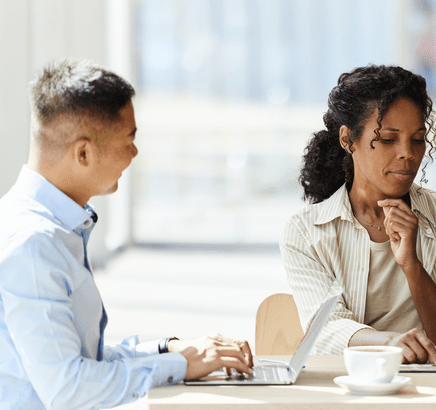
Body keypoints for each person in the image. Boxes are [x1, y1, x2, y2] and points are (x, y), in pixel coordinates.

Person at [0, 59, 253, 410]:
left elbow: (85, 359)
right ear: (83, 153)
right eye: (128, 140)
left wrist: (170, 350)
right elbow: (69, 389)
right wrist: (181, 365)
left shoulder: (46, 228)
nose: (134, 153)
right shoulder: (34, 245)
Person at [281, 65, 436, 364]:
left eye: (417, 139)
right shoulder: (307, 232)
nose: (408, 153)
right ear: (348, 140)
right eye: (389, 139)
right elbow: (325, 332)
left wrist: (412, 265)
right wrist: (391, 343)